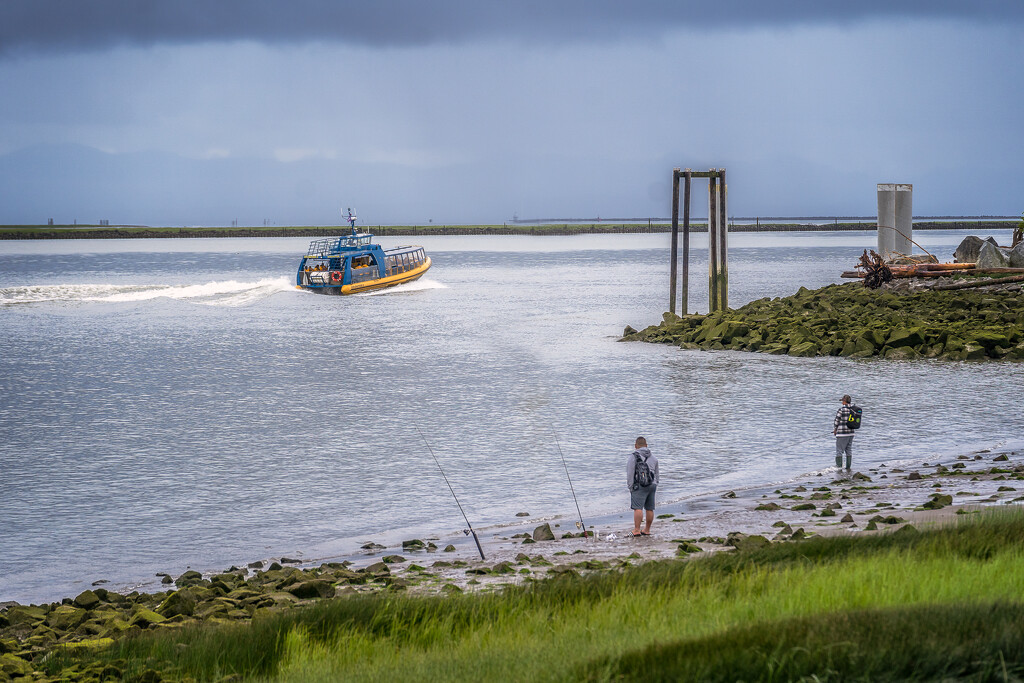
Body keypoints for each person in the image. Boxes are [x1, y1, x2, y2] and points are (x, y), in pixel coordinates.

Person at [627, 436, 659, 536]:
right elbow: (657, 474)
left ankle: (636, 530)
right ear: (646, 445)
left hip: (640, 485)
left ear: (636, 446)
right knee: (650, 508)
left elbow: (630, 473)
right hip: (652, 485)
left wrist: (630, 486)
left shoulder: (633, 457)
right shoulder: (653, 457)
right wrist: (655, 484)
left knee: (638, 508)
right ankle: (647, 530)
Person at [833, 394, 855, 472]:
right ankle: (848, 468)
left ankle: (839, 468)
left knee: (839, 451)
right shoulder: (854, 410)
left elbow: (836, 421)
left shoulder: (841, 410)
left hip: (842, 433)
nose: (842, 402)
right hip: (851, 433)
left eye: (842, 401)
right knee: (848, 450)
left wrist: (835, 429)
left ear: (844, 401)